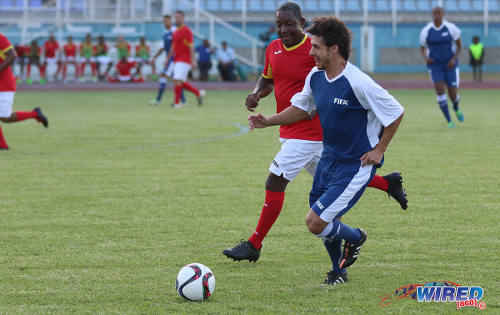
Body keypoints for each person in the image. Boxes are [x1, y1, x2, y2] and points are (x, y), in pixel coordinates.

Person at [222, 2, 407, 265]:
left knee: (278, 185)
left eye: (289, 23)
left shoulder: (326, 59)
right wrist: (261, 104)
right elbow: (276, 84)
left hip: (309, 134)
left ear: (301, 22)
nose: (284, 29)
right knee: (333, 190)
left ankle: (255, 243)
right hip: (300, 134)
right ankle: (386, 185)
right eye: (279, 24)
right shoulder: (276, 50)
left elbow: (385, 105)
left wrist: (379, 148)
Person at [0, 33, 48, 150]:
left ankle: (35, 114)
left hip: (4, 85)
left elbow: (12, 56)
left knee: (5, 117)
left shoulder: (1, 38)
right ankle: (2, 145)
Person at [420, 6, 464, 127]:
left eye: (439, 13)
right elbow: (422, 48)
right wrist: (426, 59)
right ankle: (449, 121)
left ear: (443, 14)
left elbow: (460, 46)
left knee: (453, 94)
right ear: (432, 15)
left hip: (450, 65)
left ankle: (456, 107)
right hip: (435, 66)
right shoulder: (426, 30)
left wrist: (453, 59)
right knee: (440, 91)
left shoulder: (451, 28)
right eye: (434, 13)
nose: (437, 15)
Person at [165, 10, 205, 108]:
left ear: (183, 18)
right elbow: (173, 47)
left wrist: (193, 60)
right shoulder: (175, 32)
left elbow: (191, 47)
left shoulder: (187, 30)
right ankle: (198, 93)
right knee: (181, 82)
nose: (177, 19)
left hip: (185, 60)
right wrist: (167, 59)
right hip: (177, 59)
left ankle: (177, 103)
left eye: (179, 17)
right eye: (176, 17)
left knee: (177, 79)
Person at [149, 15, 185, 106]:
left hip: (174, 59)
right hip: (169, 59)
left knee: (163, 76)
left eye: (167, 21)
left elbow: (178, 45)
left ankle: (158, 100)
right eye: (164, 21)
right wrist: (154, 57)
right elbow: (163, 48)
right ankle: (184, 100)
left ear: (171, 21)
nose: (165, 23)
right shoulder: (165, 33)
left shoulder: (175, 31)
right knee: (177, 80)